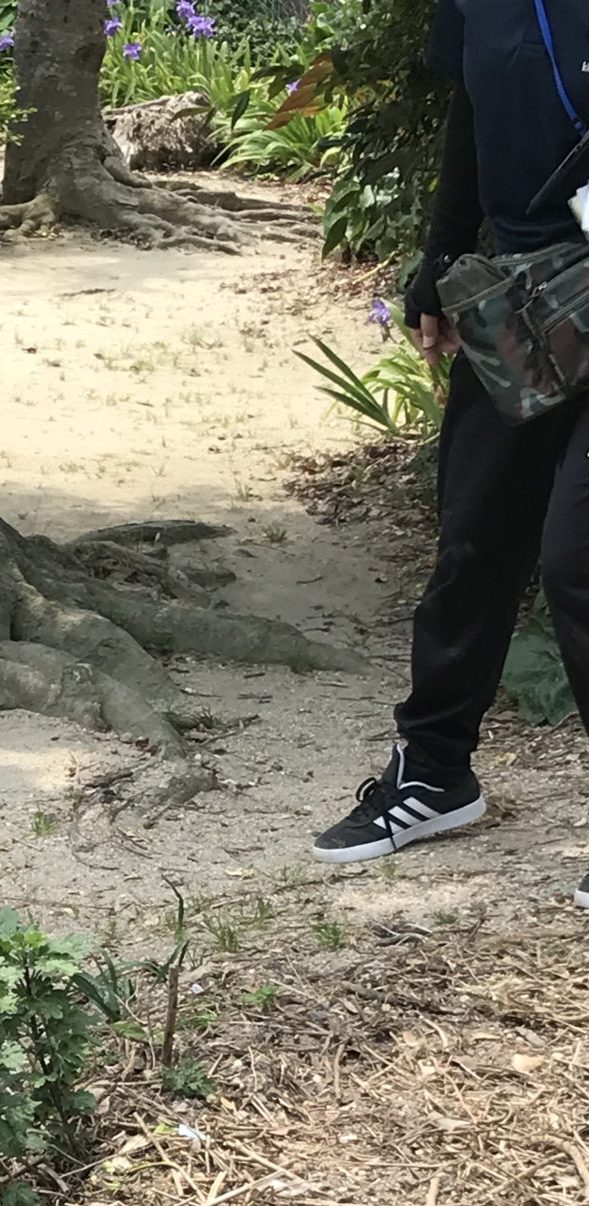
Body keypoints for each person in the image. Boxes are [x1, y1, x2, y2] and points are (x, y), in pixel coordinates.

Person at [312, 0, 588, 910]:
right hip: (521, 296)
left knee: (577, 561)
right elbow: (471, 117)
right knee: (473, 539)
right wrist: (438, 264)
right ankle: (435, 772)